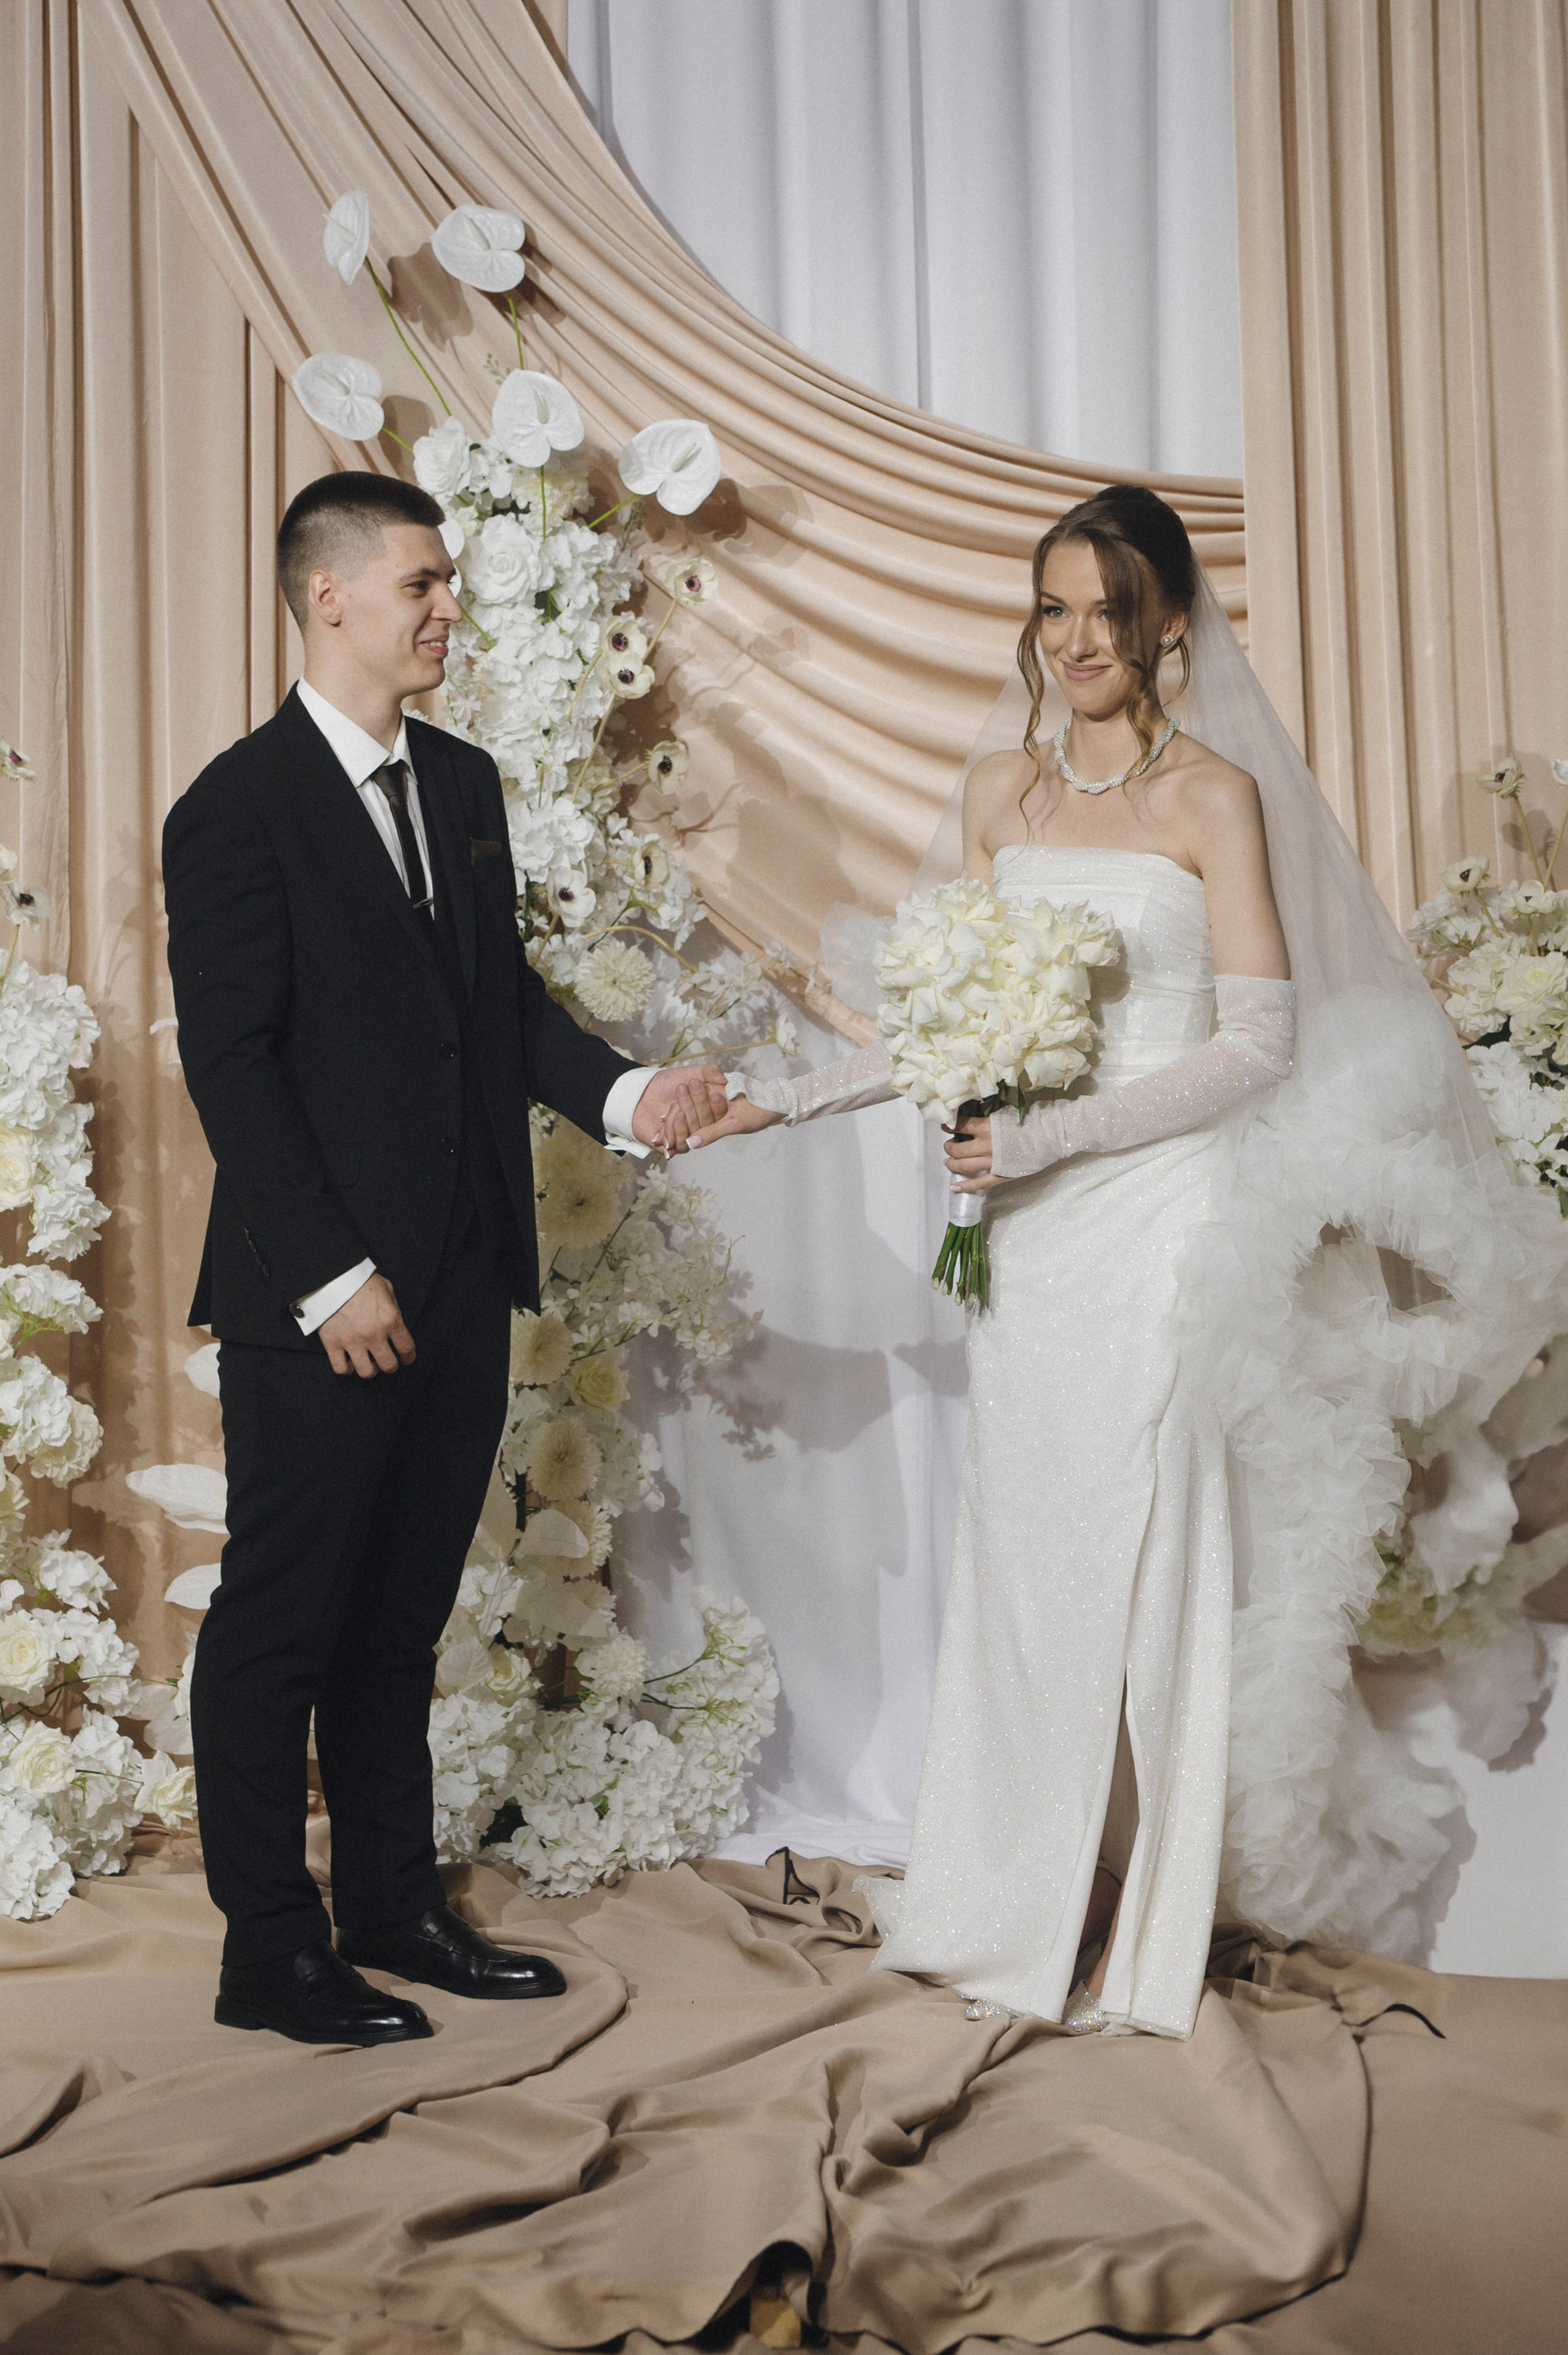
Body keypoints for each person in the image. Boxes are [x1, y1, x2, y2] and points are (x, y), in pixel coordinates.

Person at [163, 471, 726, 2048]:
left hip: (469, 1278)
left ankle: (392, 1908)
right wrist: (330, 1277)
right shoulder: (234, 806)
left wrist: (630, 1096)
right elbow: (233, 1066)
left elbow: (499, 1013)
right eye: (420, 583)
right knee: (281, 1624)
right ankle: (268, 1952)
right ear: (327, 595)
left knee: (399, 1618)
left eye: (447, 583)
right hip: (322, 1299)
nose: (446, 610)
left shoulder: (462, 781)